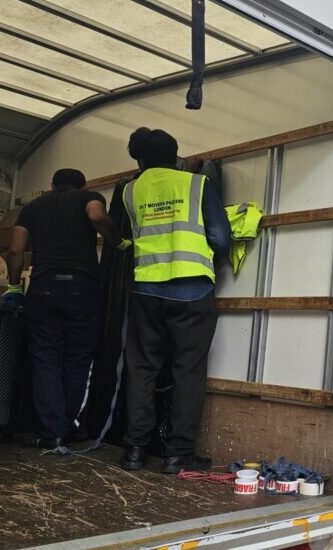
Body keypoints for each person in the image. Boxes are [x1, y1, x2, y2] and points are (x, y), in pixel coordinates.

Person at [120, 128, 230, 473]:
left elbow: (127, 236)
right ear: (175, 154)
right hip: (192, 290)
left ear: (140, 159)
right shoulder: (197, 185)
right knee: (188, 371)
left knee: (141, 369)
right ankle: (177, 455)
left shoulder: (130, 191)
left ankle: (135, 451)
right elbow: (221, 238)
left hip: (146, 291)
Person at [3, 168, 120, 449]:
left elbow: (16, 250)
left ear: (51, 184)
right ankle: (68, 427)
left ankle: (51, 430)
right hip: (83, 287)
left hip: (44, 287)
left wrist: (14, 285)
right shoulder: (89, 197)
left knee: (45, 358)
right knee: (78, 358)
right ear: (83, 185)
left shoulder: (33, 207)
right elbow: (97, 216)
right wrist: (118, 242)